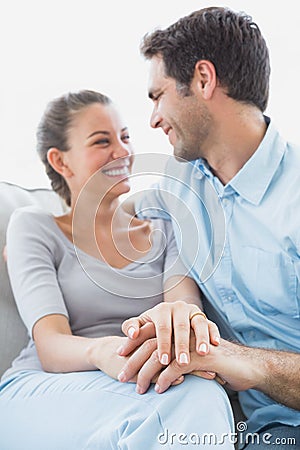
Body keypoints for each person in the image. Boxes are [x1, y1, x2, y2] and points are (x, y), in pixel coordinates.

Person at [0, 89, 235, 449]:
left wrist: (182, 335)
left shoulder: (165, 227)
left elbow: (183, 312)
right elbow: (50, 344)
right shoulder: (34, 226)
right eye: (102, 141)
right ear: (61, 161)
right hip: (42, 388)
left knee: (199, 394)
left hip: (137, 384)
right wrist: (104, 352)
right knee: (189, 403)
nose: (123, 152)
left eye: (125, 137)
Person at [116, 6, 300, 449]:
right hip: (247, 430)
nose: (153, 118)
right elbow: (118, 212)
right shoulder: (180, 182)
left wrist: (242, 361)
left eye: (157, 95)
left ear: (203, 79)